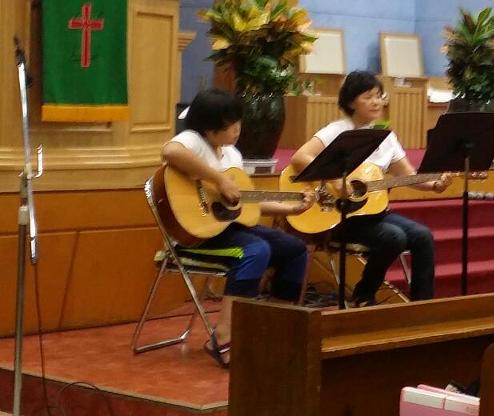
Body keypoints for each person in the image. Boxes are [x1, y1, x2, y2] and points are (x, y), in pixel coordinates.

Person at [161, 88, 312, 368]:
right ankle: (223, 335)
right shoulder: (192, 141)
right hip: (196, 234)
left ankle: (273, 326)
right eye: (231, 125)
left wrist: (290, 208)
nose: (238, 130)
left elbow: (245, 202)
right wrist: (219, 180)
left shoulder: (232, 155)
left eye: (238, 123)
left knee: (294, 248)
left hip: (228, 229)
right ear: (210, 129)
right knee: (256, 250)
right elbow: (170, 152)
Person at [290, 71, 452, 306]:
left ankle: (421, 306)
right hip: (340, 216)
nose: (376, 102)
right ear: (351, 102)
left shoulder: (386, 137)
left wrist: (434, 185)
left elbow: (407, 176)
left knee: (423, 235)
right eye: (368, 97)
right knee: (394, 237)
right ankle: (364, 295)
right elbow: (299, 158)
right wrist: (336, 180)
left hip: (374, 214)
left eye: (378, 96)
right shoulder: (337, 130)